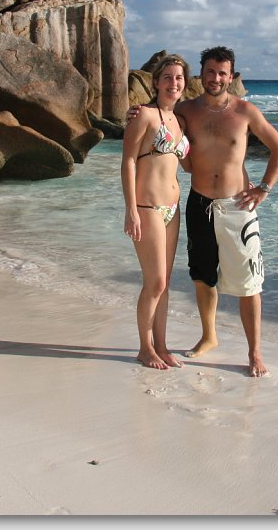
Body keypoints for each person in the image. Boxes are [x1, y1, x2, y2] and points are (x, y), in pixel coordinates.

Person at [129, 46, 278, 378]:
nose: (216, 78)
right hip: (198, 203)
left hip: (237, 206)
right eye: (210, 72)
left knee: (249, 283)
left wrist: (263, 188)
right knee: (202, 276)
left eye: (222, 73)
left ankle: (255, 353)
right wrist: (135, 112)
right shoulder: (186, 110)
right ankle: (208, 336)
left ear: (232, 77)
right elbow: (158, 120)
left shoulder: (245, 111)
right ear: (201, 75)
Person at [121, 53, 192, 370]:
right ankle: (144, 348)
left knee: (165, 284)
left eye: (178, 78)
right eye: (167, 77)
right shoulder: (144, 115)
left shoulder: (180, 121)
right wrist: (131, 209)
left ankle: (162, 346)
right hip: (146, 206)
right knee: (156, 282)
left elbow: (187, 164)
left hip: (173, 210)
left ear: (184, 83)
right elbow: (128, 160)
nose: (173, 83)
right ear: (156, 82)